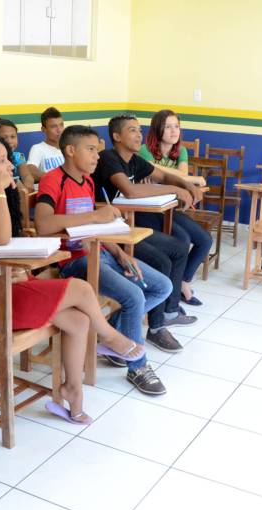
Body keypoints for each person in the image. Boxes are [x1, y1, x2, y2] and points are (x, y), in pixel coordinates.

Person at [0, 133, 146, 421]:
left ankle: (72, 390)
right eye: (1, 161)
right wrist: (0, 192)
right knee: (81, 288)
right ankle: (111, 338)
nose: (9, 167)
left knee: (79, 320)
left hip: (10, 282)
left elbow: (11, 244)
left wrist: (21, 268)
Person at [35, 125, 171, 394]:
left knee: (161, 286)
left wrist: (119, 253)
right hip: (74, 262)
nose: (97, 156)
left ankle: (111, 336)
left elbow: (96, 228)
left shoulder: (87, 181)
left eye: (97, 151)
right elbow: (43, 224)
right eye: (90, 150)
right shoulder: (53, 180)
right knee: (134, 297)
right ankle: (138, 367)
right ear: (70, 151)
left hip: (102, 253)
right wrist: (94, 216)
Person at [93, 115, 200, 353]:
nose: (139, 135)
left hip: (126, 225)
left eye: (140, 130)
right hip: (111, 234)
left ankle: (168, 312)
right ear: (116, 136)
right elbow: (130, 191)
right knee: (161, 261)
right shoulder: (109, 158)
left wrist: (187, 186)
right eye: (132, 131)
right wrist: (175, 188)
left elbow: (163, 176)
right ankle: (155, 327)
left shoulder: (134, 159)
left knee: (179, 247)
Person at [138, 109, 213, 305]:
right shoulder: (145, 149)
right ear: (157, 129)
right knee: (183, 239)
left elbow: (179, 176)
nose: (174, 131)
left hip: (171, 208)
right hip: (149, 211)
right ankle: (175, 294)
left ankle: (183, 282)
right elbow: (180, 176)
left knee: (204, 240)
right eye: (168, 127)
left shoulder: (181, 151)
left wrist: (162, 172)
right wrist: (192, 178)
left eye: (177, 126)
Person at [0, 117, 34, 189]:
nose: (9, 141)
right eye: (4, 138)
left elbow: (27, 176)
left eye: (13, 136)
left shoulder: (18, 156)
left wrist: (27, 186)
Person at [27, 106, 65, 175]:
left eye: (61, 125)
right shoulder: (38, 148)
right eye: (53, 126)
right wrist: (54, 179)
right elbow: (30, 170)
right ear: (43, 129)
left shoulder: (69, 147)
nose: (59, 130)